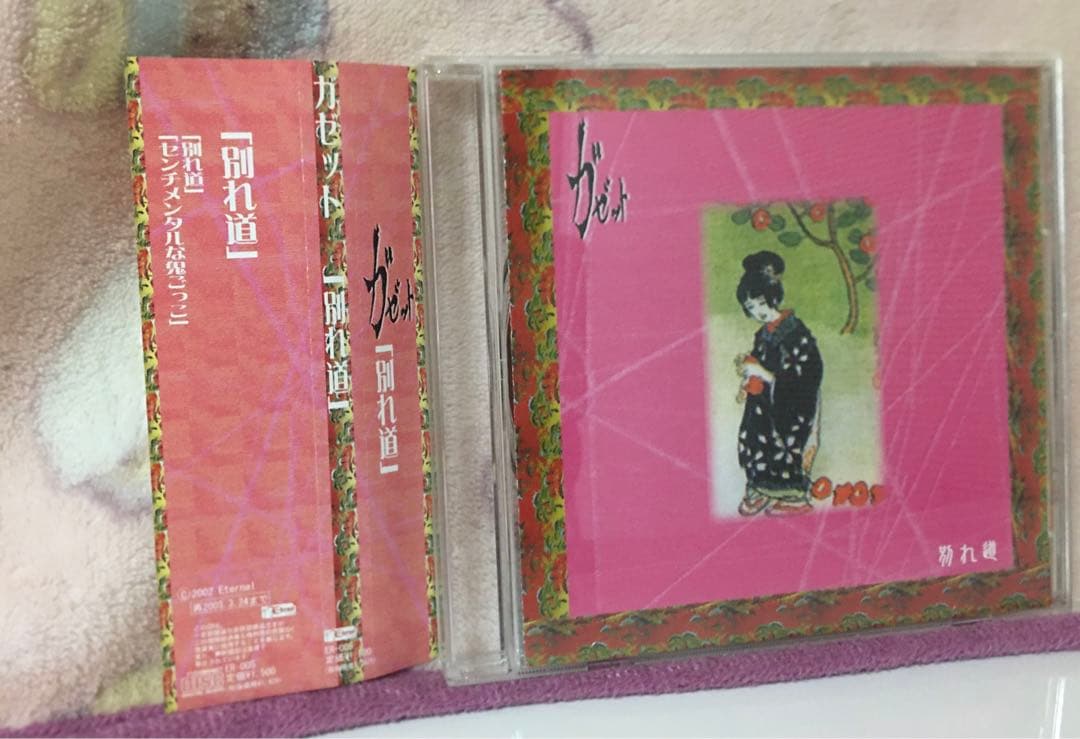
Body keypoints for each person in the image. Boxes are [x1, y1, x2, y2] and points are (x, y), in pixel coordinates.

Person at [734, 251, 823, 516]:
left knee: (782, 443)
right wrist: (747, 381)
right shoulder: (761, 335)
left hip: (790, 405)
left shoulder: (796, 332)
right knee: (752, 436)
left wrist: (764, 373)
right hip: (762, 403)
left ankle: (793, 495)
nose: (758, 312)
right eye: (751, 308)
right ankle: (760, 488)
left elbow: (807, 373)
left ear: (773, 296)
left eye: (761, 303)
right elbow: (757, 366)